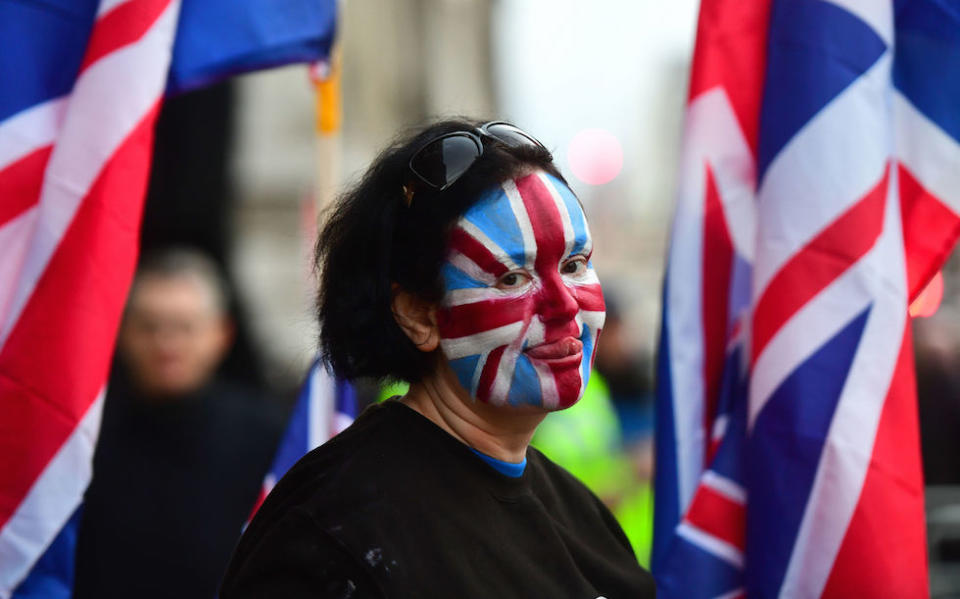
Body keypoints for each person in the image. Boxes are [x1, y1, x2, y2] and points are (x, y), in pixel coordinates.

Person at [219, 119, 656, 598]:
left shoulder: (580, 513)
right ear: (419, 316)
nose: (565, 305)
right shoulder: (337, 535)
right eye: (511, 278)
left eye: (574, 266)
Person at [74, 248, 284, 599]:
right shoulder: (83, 436)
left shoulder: (266, 437)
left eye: (185, 328)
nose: (166, 344)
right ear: (122, 332)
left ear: (222, 334)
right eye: (150, 327)